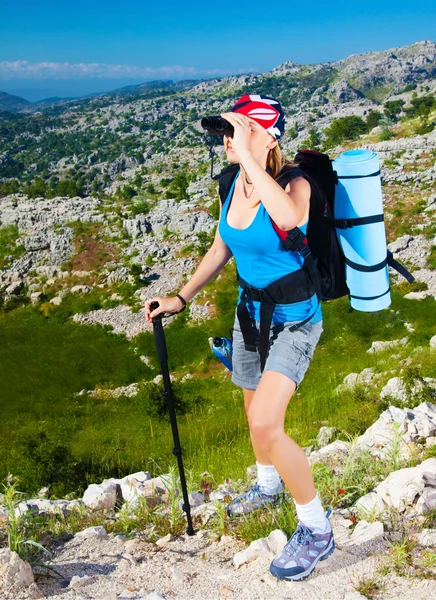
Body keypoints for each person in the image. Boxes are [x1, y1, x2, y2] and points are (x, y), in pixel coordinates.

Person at [145, 93, 335, 581]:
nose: (226, 140)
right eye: (226, 132)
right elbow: (220, 248)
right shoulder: (232, 185)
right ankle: (268, 485)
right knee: (252, 411)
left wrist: (254, 157)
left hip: (294, 320)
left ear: (265, 136)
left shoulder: (296, 185)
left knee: (269, 425)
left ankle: (317, 530)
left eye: (237, 130)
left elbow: (290, 218)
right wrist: (180, 298)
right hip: (250, 315)